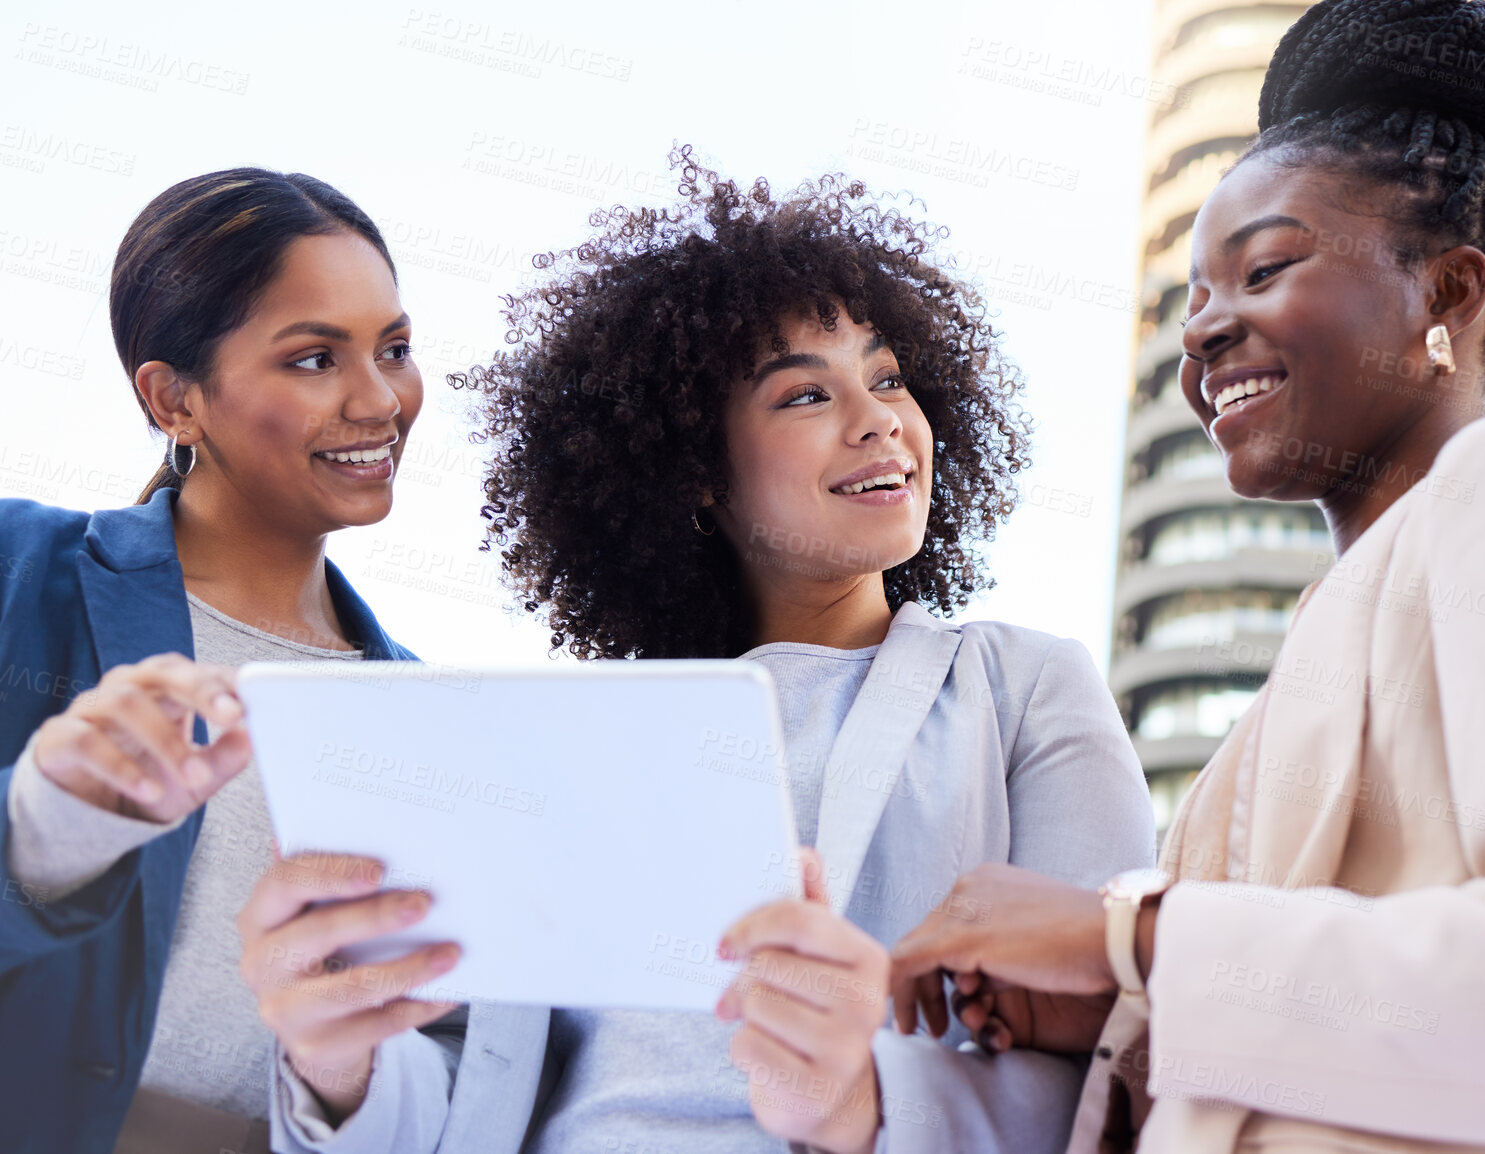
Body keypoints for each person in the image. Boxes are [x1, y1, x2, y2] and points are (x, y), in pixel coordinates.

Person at [887, 0, 1485, 1150]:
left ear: (1445, 294)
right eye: (1191, 301)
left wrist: (1131, 938)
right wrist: (1114, 1022)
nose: (1201, 332)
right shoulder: (1286, 696)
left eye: (1264, 268)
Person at [250, 149, 1159, 1154]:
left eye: (889, 377)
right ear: (698, 477)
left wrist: (866, 1102)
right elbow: (482, 1088)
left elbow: (1114, 1062)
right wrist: (337, 1060)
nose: (879, 423)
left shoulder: (1026, 689)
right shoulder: (574, 738)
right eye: (805, 396)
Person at [0, 169, 447, 1154]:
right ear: (174, 398)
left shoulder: (424, 709)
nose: (380, 399)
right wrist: (42, 820)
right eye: (314, 358)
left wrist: (345, 1070)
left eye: (395, 348)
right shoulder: (19, 571)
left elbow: (448, 1047)